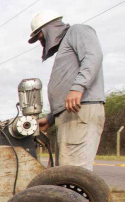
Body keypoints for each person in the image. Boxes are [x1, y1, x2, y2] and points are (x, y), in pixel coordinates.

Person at [29, 10, 105, 171]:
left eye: (40, 35)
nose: (40, 41)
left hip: (81, 109)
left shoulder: (77, 31)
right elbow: (66, 82)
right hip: (70, 113)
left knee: (74, 172)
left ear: (49, 29)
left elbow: (93, 56)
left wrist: (78, 88)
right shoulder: (66, 44)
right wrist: (50, 118)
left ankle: (76, 197)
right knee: (65, 170)